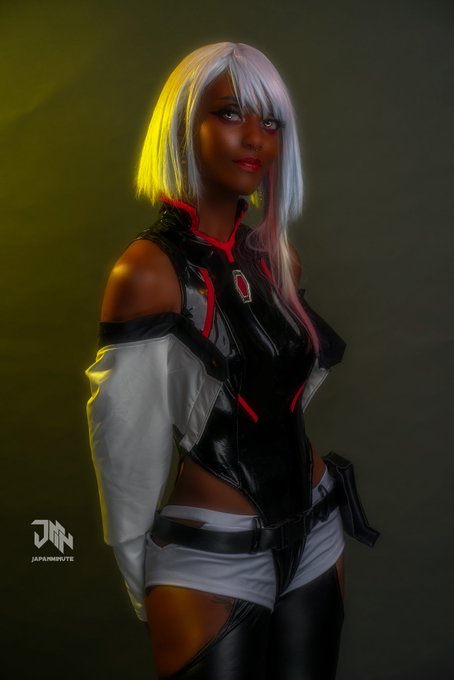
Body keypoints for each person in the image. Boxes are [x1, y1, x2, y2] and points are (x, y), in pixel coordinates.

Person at [85, 42, 377, 680]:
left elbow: (280, 397)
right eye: (229, 113)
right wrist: (140, 574)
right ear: (184, 124)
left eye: (270, 121)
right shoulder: (147, 273)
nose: (254, 138)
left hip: (318, 530)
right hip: (211, 557)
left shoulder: (275, 257)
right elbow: (125, 452)